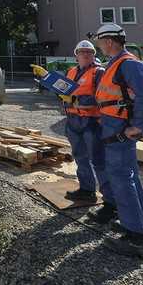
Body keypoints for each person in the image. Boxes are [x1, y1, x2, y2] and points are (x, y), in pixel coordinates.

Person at [85, 23, 143, 258]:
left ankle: (136, 238)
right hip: (113, 126)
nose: (99, 47)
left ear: (109, 42)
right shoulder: (116, 64)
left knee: (121, 178)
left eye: (100, 43)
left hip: (120, 128)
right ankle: (139, 224)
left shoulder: (128, 64)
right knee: (129, 176)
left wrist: (137, 126)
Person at [61, 40, 109, 203]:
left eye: (89, 52)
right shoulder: (71, 71)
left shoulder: (99, 72)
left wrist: (74, 100)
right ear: (76, 55)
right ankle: (87, 190)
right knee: (80, 157)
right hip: (73, 121)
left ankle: (110, 200)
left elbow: (101, 97)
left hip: (92, 122)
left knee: (98, 160)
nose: (86, 54)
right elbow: (64, 92)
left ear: (94, 55)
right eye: (82, 52)